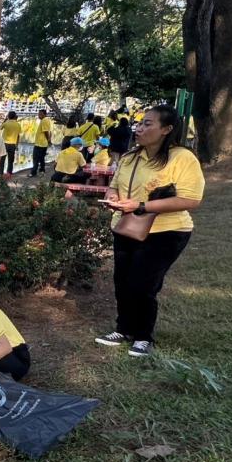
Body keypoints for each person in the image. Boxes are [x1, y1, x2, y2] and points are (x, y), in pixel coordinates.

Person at [95, 104, 204, 358]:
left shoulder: (182, 158)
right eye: (140, 123)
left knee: (144, 284)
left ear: (166, 129)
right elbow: (114, 185)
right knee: (122, 281)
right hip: (126, 227)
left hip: (166, 231)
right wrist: (113, 197)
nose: (140, 128)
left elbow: (191, 200)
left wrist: (141, 205)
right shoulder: (130, 157)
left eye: (148, 124)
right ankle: (123, 329)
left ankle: (144, 336)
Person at [30, 108, 53, 177]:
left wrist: (48, 140)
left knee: (35, 158)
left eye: (40, 114)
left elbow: (46, 131)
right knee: (41, 158)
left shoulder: (44, 120)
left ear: (44, 114)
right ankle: (42, 170)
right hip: (42, 143)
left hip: (40, 144)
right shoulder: (45, 120)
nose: (39, 115)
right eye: (38, 114)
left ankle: (33, 172)